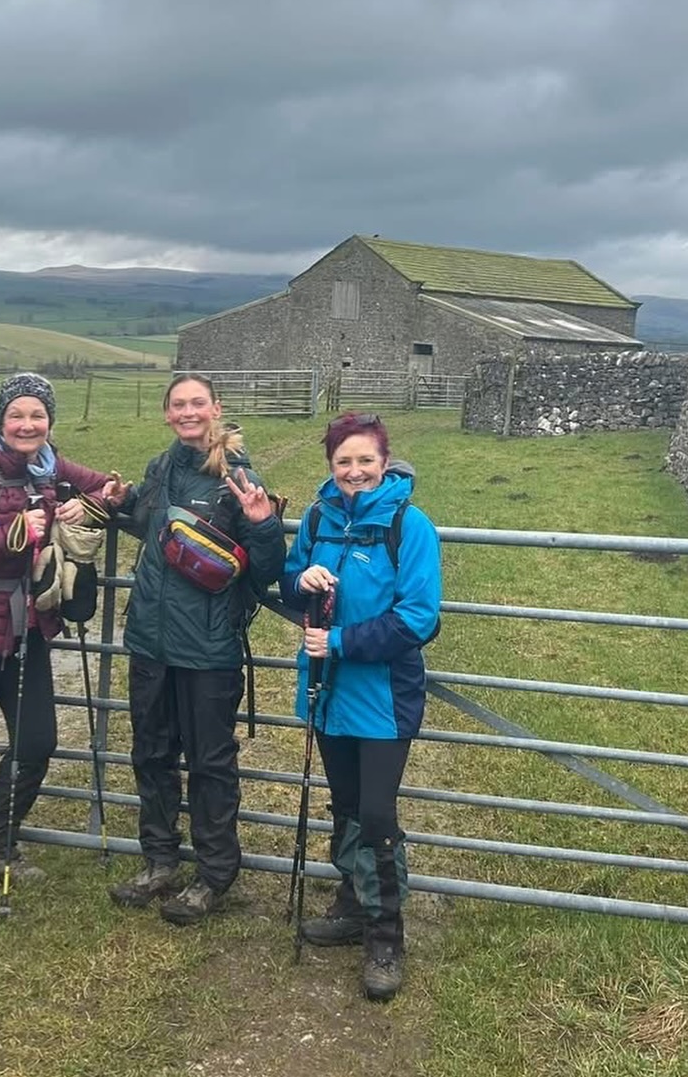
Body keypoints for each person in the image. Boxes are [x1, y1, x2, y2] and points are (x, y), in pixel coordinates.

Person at [0, 372, 130, 898]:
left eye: (38, 416)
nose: (28, 424)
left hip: (26, 628)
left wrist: (98, 504)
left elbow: (111, 488)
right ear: (1, 419)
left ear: (50, 423)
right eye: (18, 415)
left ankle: (1, 837)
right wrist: (12, 536)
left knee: (38, 741)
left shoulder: (51, 467)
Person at [109, 372, 286, 923]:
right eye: (178, 404)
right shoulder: (160, 470)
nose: (188, 412)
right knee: (151, 753)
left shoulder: (238, 478)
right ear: (168, 414)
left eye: (197, 403)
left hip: (209, 646)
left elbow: (267, 573)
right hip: (150, 640)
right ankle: (159, 861)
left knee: (210, 762)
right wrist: (116, 500)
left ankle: (214, 874)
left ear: (216, 409)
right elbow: (145, 519)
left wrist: (263, 525)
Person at [278, 411, 442, 1002]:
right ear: (331, 465)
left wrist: (342, 641)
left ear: (384, 461)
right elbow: (289, 578)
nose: (354, 471)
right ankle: (351, 905)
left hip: (383, 698)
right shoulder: (318, 517)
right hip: (327, 691)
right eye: (343, 461)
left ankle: (385, 937)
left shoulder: (408, 524)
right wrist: (305, 579)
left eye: (364, 460)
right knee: (345, 804)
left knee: (376, 814)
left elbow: (420, 617)